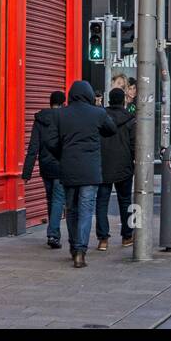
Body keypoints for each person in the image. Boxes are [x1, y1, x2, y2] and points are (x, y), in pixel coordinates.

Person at [52, 81, 118, 268]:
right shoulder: (97, 113)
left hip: (69, 168)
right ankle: (81, 251)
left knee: (71, 210)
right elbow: (111, 129)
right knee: (86, 210)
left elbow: (52, 142)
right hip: (90, 170)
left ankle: (74, 247)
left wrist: (62, 155)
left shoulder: (61, 114)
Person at [22, 90, 66, 249]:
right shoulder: (65, 118)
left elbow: (33, 147)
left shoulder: (40, 119)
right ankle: (53, 234)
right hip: (61, 165)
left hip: (45, 165)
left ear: (50, 102)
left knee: (51, 199)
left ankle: (54, 232)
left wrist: (27, 172)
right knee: (58, 200)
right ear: (63, 103)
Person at [97, 88, 136, 251]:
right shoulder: (130, 119)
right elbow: (134, 145)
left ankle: (103, 239)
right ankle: (127, 237)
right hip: (124, 165)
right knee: (126, 201)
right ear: (123, 100)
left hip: (103, 164)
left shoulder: (101, 117)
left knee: (101, 202)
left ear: (109, 100)